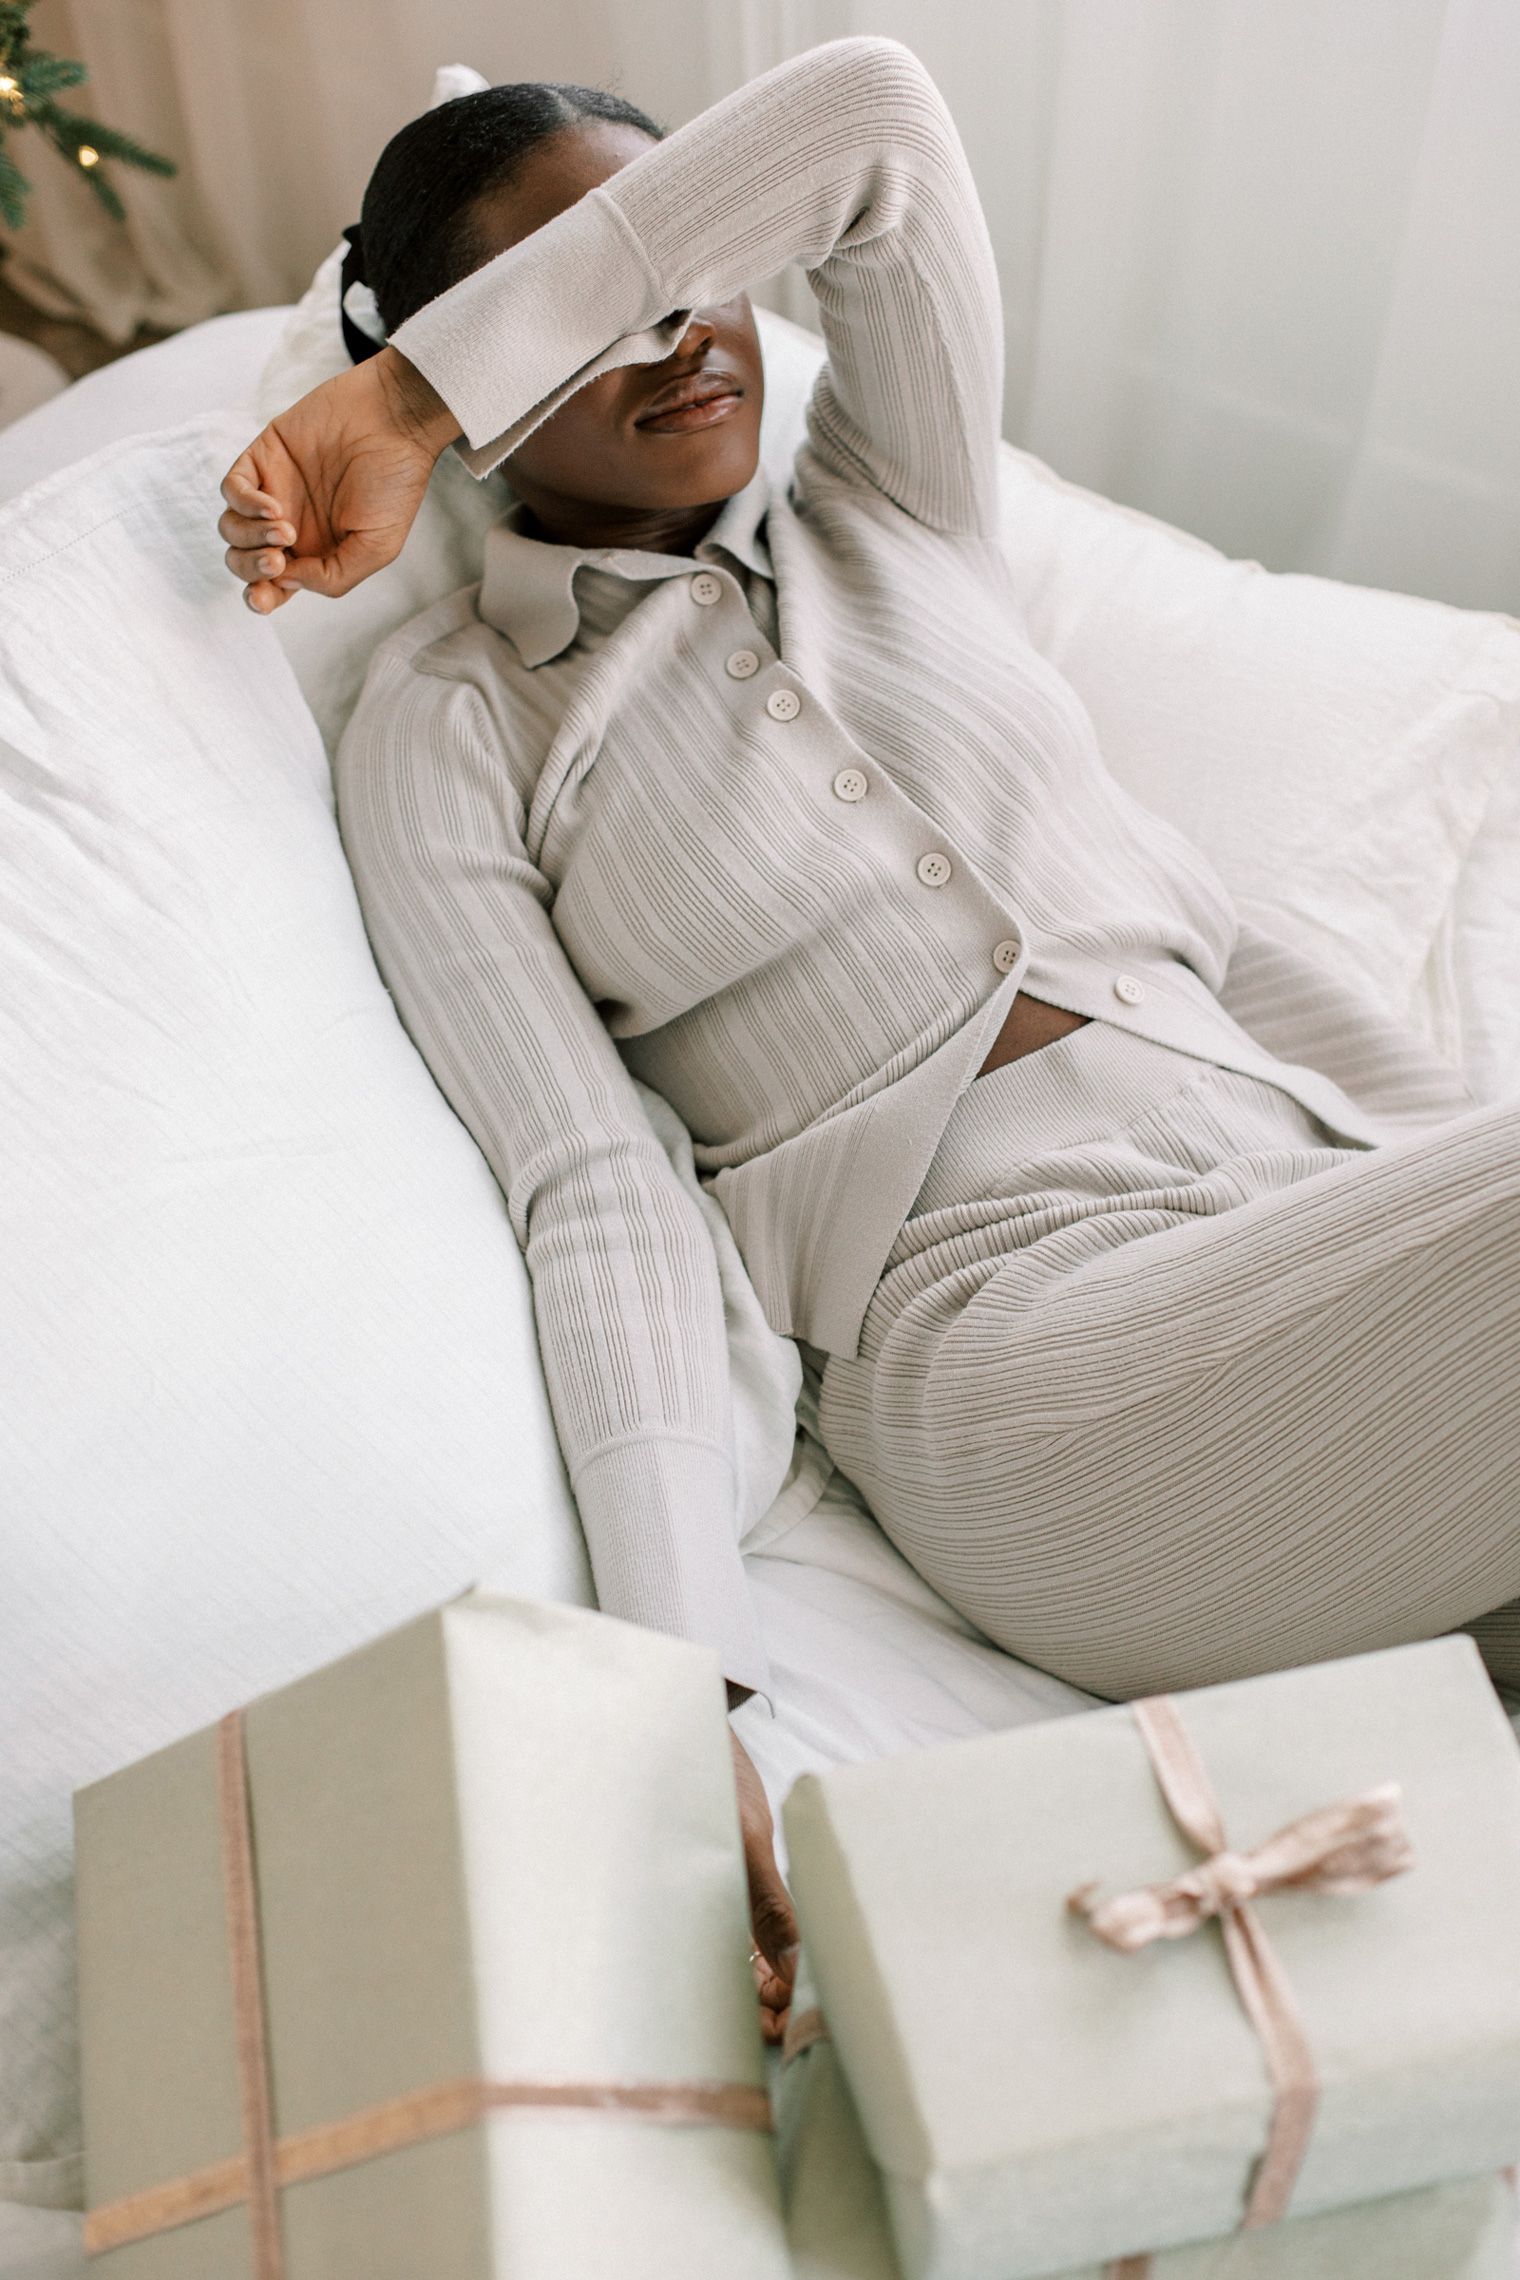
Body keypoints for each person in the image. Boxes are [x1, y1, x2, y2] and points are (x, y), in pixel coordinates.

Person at [219, 38, 1520, 2045]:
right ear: (474, 402)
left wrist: (403, 388)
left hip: (1304, 1218)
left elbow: (878, 124)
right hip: (1032, 1376)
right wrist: (680, 1696)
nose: (679, 336)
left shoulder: (894, 509)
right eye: (572, 313)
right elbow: (593, 1191)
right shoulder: (456, 726)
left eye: (684, 259)